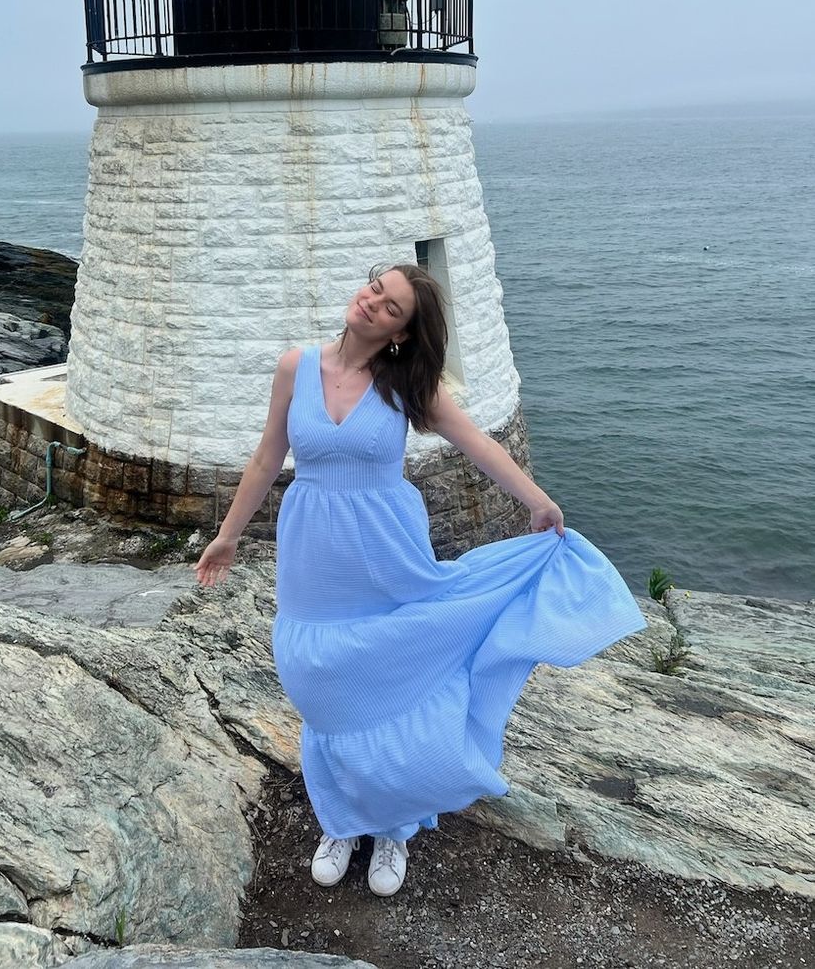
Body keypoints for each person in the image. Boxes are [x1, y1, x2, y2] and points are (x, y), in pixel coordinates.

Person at [196, 264, 646, 898]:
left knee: (395, 674)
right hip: (315, 552)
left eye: (391, 306)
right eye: (375, 288)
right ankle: (343, 817)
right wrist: (229, 534)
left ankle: (391, 826)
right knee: (321, 679)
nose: (372, 302)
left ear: (403, 333)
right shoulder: (296, 366)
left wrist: (536, 500)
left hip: (386, 548)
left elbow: (475, 442)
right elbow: (269, 455)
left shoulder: (406, 383)